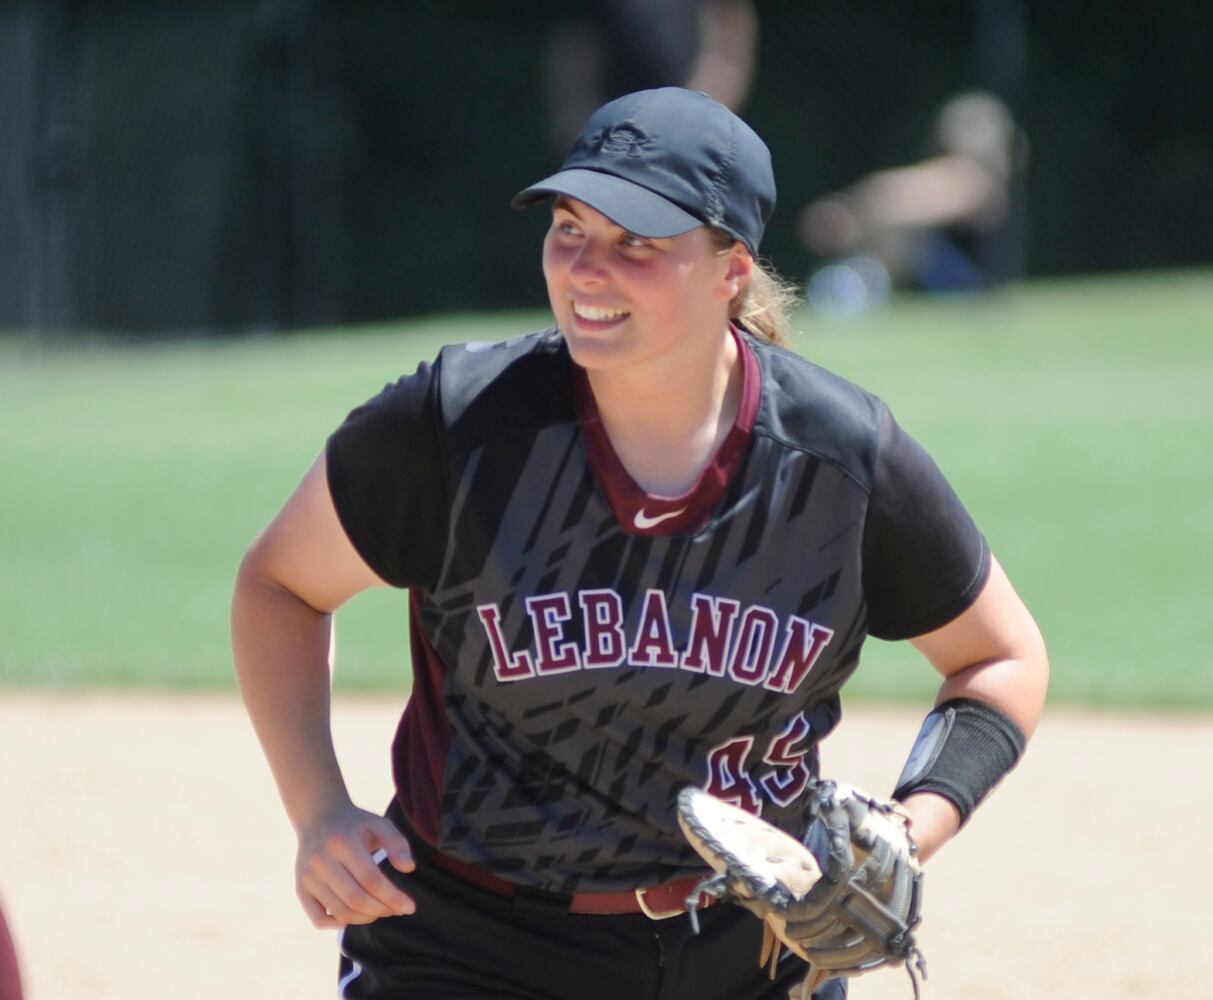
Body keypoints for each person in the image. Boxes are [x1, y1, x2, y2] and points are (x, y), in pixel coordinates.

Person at [232, 87, 1048, 999]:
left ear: (730, 269)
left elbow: (1000, 658)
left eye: (638, 244)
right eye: (570, 228)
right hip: (474, 945)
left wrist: (905, 831)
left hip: (755, 949)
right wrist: (318, 812)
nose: (586, 268)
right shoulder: (460, 427)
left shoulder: (838, 461)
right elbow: (282, 586)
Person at [800, 90, 1029, 312]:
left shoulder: (978, 183)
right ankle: (863, 285)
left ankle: (863, 289)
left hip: (972, 285)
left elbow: (923, 199)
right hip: (941, 278)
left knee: (909, 238)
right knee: (903, 234)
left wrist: (859, 215)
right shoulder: (952, 177)